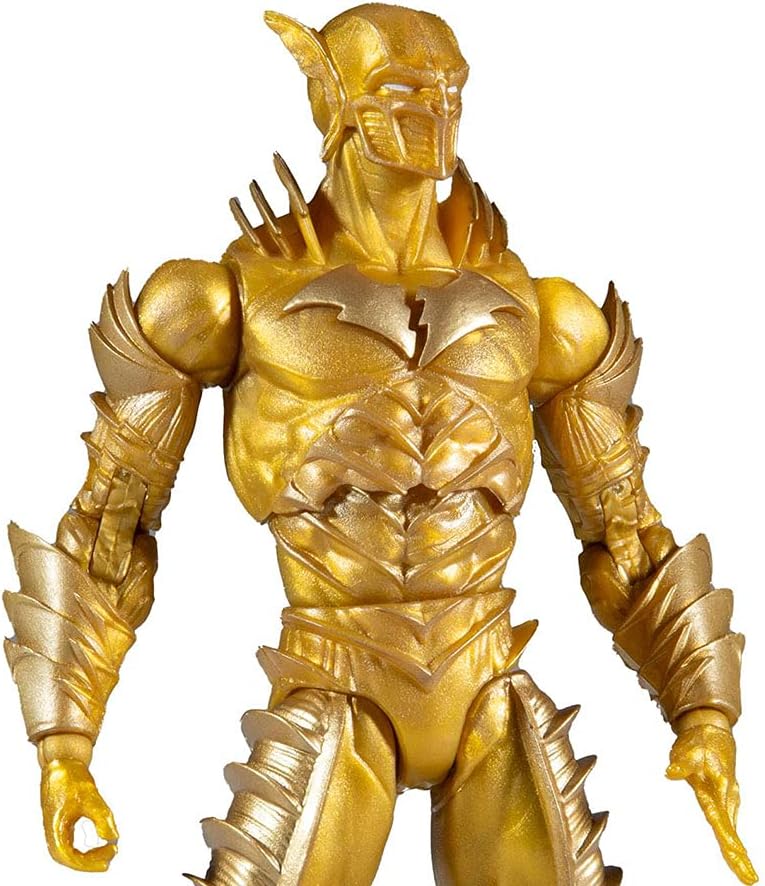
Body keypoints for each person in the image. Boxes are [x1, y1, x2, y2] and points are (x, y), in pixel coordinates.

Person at [4, 5, 756, 884]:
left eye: (450, 89)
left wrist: (703, 714)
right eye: (402, 88)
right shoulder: (218, 302)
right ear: (331, 99)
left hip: (490, 687)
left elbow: (624, 532)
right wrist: (65, 744)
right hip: (333, 682)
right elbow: (110, 527)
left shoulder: (545, 314)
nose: (435, 109)